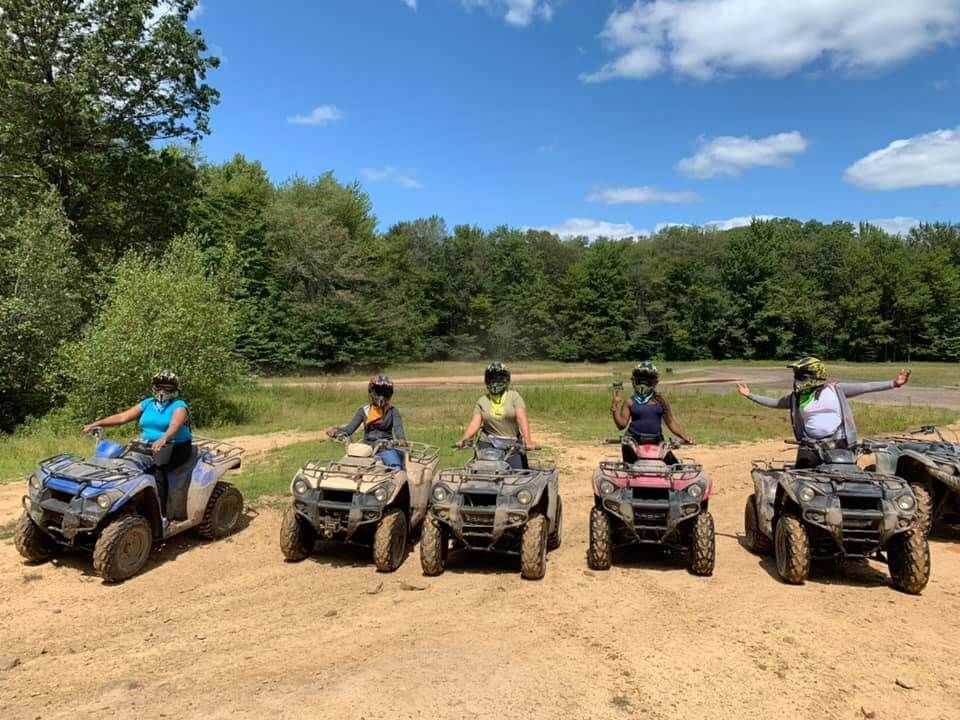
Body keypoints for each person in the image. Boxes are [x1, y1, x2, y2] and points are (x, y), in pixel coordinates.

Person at [737, 356, 911, 467]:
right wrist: (750, 395)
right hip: (810, 446)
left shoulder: (836, 390)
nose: (797, 381)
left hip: (840, 444)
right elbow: (775, 403)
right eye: (797, 377)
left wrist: (894, 383)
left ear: (815, 376)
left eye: (801, 377)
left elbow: (866, 387)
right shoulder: (797, 397)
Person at [82, 370, 192, 508]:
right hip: (146, 445)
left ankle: (161, 510)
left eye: (167, 387)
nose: (162, 390)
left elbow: (175, 424)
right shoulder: (148, 403)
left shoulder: (179, 405)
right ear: (154, 387)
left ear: (175, 389)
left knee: (158, 469)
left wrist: (164, 438)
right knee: (121, 463)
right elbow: (122, 417)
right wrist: (96, 424)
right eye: (159, 386)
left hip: (175, 445)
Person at [456, 362, 536, 470]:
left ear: (506, 379)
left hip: (512, 443)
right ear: (486, 380)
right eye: (491, 378)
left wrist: (528, 440)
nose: (495, 382)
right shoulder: (482, 400)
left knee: (518, 475)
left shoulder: (514, 396)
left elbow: (521, 418)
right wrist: (464, 439)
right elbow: (475, 423)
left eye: (499, 378)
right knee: (481, 472)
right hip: (488, 442)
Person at [611, 361, 694, 463]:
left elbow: (670, 422)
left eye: (646, 382)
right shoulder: (630, 401)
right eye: (639, 381)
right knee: (631, 468)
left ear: (654, 383)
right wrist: (614, 406)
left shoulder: (661, 400)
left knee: (674, 467)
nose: (642, 385)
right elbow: (621, 425)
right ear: (634, 381)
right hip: (633, 440)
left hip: (657, 440)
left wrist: (684, 436)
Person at [326, 375, 407, 468]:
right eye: (378, 392)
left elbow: (398, 428)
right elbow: (349, 429)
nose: (381, 396)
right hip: (366, 447)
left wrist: (401, 439)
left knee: (396, 468)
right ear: (371, 392)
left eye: (385, 392)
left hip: (386, 447)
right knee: (343, 466)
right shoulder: (364, 411)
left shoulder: (392, 411)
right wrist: (336, 431)